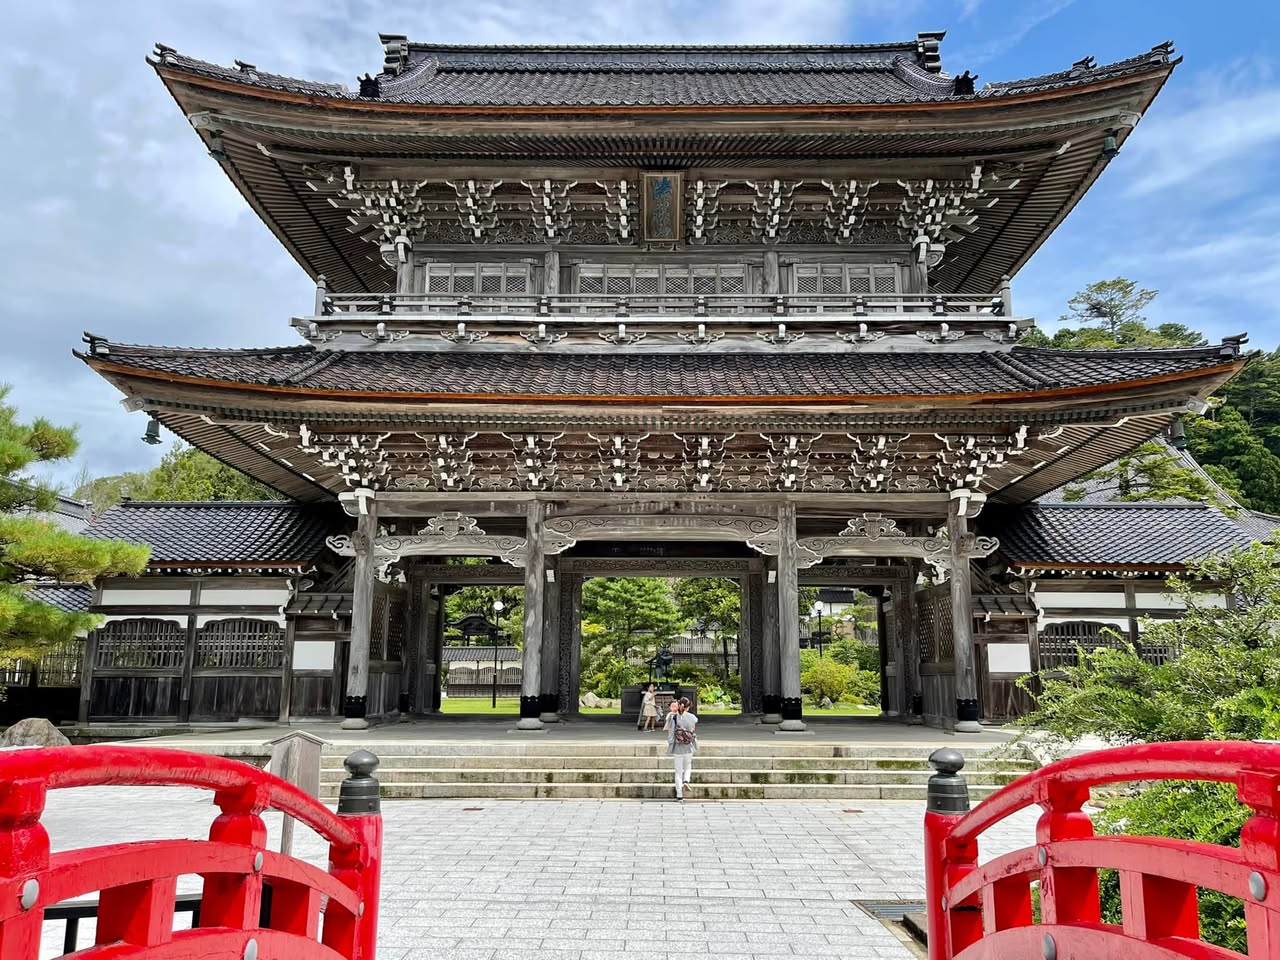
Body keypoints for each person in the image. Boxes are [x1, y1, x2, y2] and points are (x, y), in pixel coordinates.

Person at [664, 696, 698, 801]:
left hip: (677, 745)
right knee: (687, 766)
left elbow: (669, 730)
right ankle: (686, 781)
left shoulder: (674, 717)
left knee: (678, 771)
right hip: (688, 745)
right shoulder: (692, 717)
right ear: (688, 707)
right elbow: (694, 724)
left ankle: (679, 795)